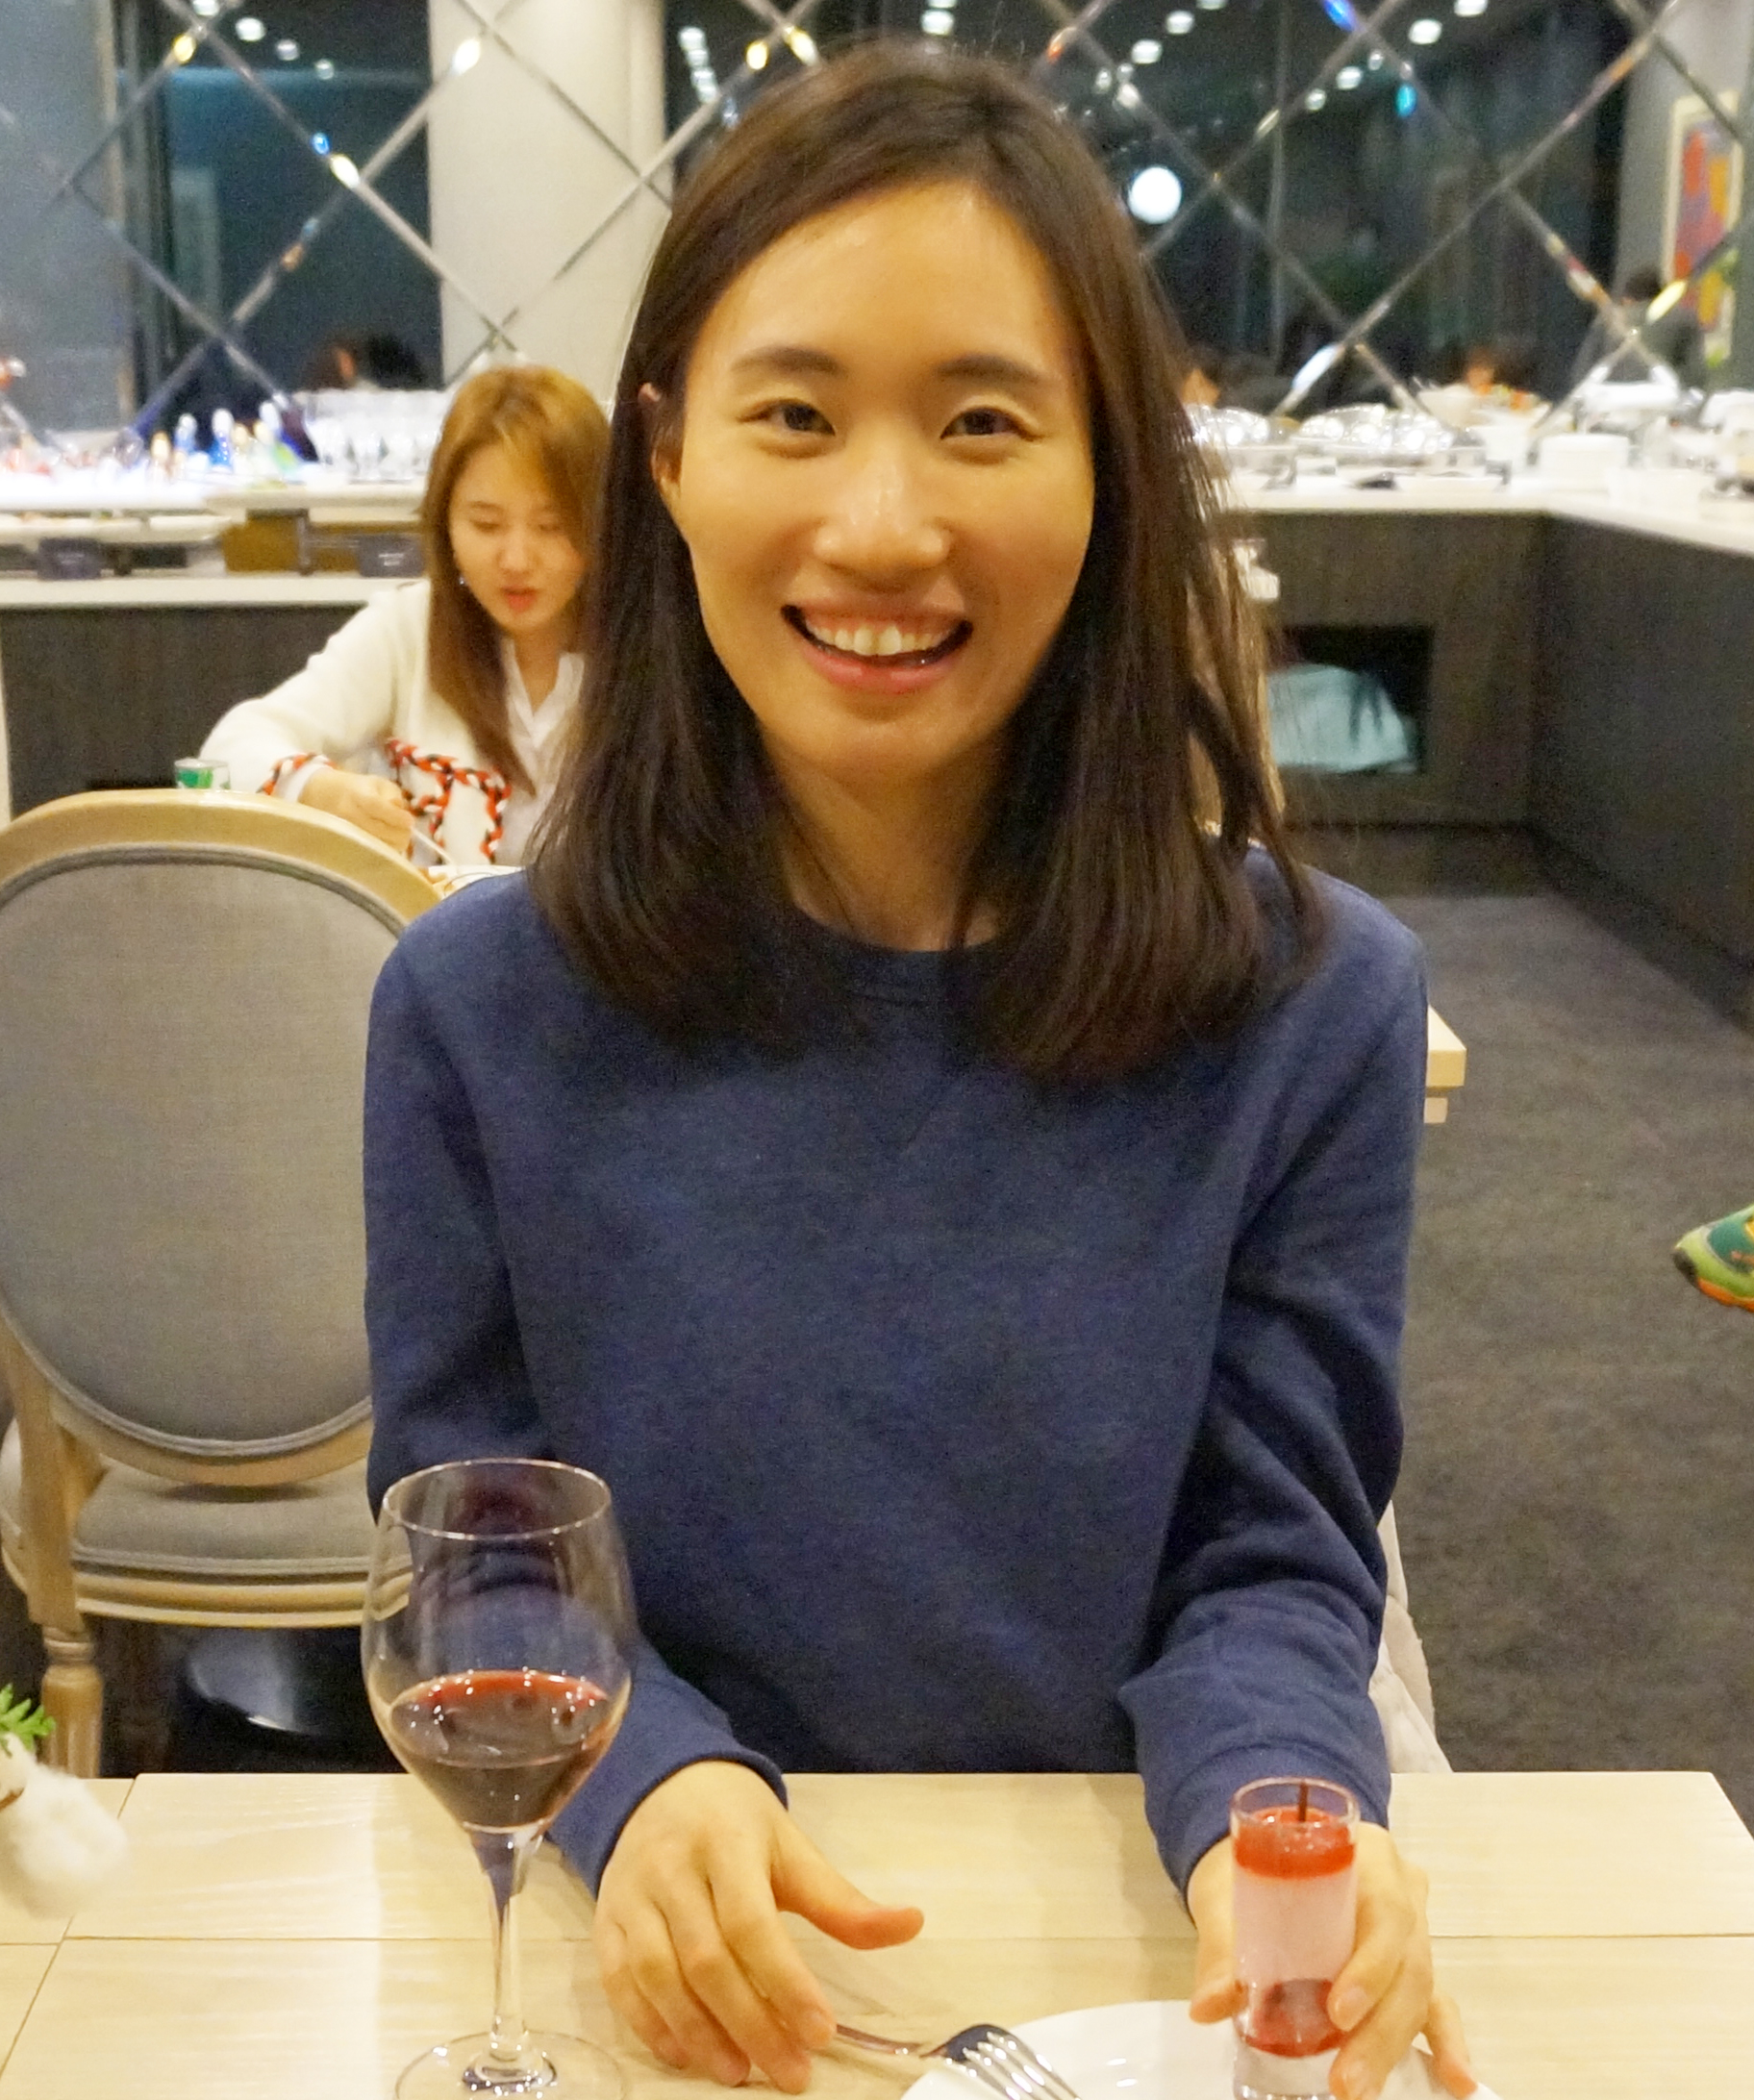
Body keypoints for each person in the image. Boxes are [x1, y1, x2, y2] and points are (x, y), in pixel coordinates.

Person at [363, 44, 1472, 2100]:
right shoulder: (472, 1007)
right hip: (668, 1972)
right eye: (794, 414)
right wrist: (643, 1775)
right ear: (665, 456)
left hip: (1098, 1953)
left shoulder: (1309, 1009)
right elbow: (479, 1549)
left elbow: (1272, 1554)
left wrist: (1283, 1825)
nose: (880, 526)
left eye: (981, 422)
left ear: (1110, 471)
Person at [199, 364, 608, 864]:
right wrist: (323, 790)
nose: (516, 560)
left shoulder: (647, 644)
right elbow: (231, 748)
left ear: (602, 521)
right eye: (486, 524)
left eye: (551, 526)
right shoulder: (410, 628)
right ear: (445, 522)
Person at [1567, 267, 1708, 392]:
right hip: (1663, 403)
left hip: (1614, 403)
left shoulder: (1607, 321)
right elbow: (1695, 373)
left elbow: (1582, 372)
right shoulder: (1685, 320)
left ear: (1627, 299)